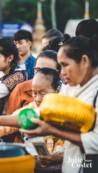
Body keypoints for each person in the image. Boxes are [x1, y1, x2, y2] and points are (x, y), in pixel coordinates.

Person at [20, 37, 98, 173]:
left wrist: (52, 130)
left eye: (65, 65)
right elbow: (42, 113)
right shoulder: (72, 87)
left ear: (84, 61)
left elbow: (95, 142)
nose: (61, 73)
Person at [0, 50, 61, 141]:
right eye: (37, 70)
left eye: (46, 71)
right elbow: (11, 122)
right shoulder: (21, 89)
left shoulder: (66, 96)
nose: (38, 98)